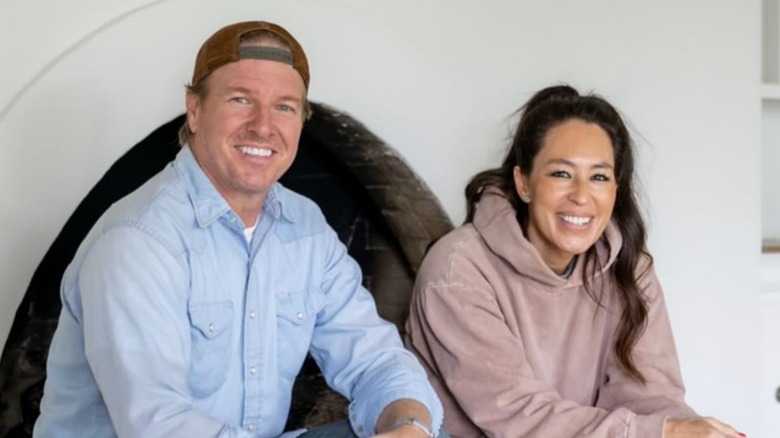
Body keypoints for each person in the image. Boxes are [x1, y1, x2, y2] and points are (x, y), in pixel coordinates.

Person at [34, 21, 443, 438]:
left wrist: (408, 423)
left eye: (284, 106)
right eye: (241, 99)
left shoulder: (305, 229)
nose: (263, 126)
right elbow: (159, 426)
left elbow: (375, 360)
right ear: (195, 110)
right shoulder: (138, 241)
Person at [404, 85, 744, 438]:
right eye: (561, 174)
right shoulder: (456, 271)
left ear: (616, 189)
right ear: (524, 183)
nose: (581, 196)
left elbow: (652, 396)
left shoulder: (630, 269)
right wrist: (660, 433)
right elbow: (519, 415)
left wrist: (687, 430)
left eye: (599, 177)